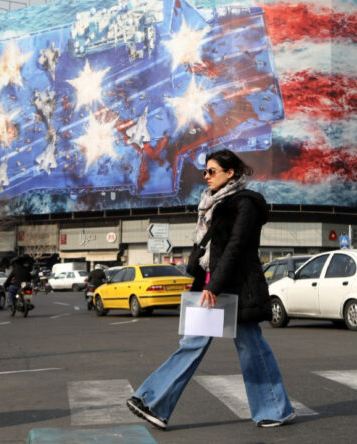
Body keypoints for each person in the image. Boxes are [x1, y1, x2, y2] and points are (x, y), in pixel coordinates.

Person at [126, 149, 295, 429]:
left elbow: (235, 248)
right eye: (205, 171)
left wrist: (214, 285)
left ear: (231, 173)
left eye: (212, 171)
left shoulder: (245, 204)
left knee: (252, 348)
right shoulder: (211, 203)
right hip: (211, 287)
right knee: (194, 344)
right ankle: (154, 402)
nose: (206, 176)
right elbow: (207, 247)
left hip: (237, 288)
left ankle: (275, 409)